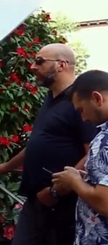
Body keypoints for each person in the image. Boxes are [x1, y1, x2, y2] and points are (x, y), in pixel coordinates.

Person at [0, 44, 96, 245]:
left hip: (62, 205)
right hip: (36, 200)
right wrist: (6, 167)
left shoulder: (79, 100)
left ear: (61, 65)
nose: (32, 66)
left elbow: (93, 152)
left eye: (39, 61)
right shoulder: (50, 98)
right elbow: (38, 142)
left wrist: (56, 191)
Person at [52, 70, 108, 244]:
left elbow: (105, 203)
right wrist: (88, 179)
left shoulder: (105, 140)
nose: (83, 118)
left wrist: (74, 181)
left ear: (97, 98)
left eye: (82, 110)